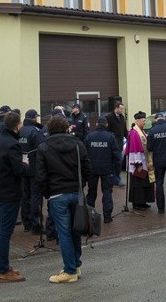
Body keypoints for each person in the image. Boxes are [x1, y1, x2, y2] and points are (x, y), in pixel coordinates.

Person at [36, 114, 91, 284]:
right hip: (76, 193)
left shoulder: (44, 147)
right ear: (66, 127)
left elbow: (41, 176)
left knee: (64, 234)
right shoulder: (78, 144)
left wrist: (48, 193)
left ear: (50, 129)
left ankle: (69, 271)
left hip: (57, 195)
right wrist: (80, 186)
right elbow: (88, 168)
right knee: (76, 230)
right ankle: (75, 265)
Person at [0, 111, 28, 283]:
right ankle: (3, 270)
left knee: (4, 231)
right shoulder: (13, 144)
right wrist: (25, 164)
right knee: (5, 232)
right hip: (9, 193)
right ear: (17, 125)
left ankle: (6, 267)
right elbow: (18, 170)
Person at [85, 117, 118, 224]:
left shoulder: (89, 136)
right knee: (107, 192)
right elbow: (116, 155)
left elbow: (84, 154)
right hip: (107, 169)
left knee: (91, 192)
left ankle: (90, 215)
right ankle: (107, 217)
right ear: (106, 125)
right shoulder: (110, 137)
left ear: (97, 124)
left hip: (92, 169)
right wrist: (115, 170)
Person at [18, 109, 45, 233]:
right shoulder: (35, 132)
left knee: (25, 196)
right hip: (34, 169)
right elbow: (41, 151)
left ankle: (26, 223)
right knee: (35, 197)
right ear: (34, 118)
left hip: (23, 168)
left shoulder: (20, 131)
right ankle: (36, 225)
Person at [125, 112, 155, 210]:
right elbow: (134, 149)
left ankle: (143, 201)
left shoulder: (142, 131)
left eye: (145, 120)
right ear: (137, 122)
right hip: (139, 162)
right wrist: (138, 164)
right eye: (143, 121)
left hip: (145, 161)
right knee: (138, 183)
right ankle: (137, 203)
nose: (145, 122)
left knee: (144, 183)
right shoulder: (134, 133)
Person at [105, 102, 128, 186]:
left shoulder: (122, 117)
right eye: (121, 109)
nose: (122, 110)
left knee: (118, 161)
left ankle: (116, 178)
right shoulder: (109, 117)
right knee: (113, 161)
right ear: (116, 108)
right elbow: (106, 130)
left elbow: (124, 129)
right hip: (111, 144)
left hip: (120, 143)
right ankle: (113, 178)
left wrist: (129, 137)